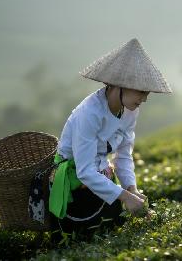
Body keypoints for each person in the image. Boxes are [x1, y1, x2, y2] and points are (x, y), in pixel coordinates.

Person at [48, 38, 172, 238]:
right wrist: (124, 197)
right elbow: (85, 171)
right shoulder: (89, 113)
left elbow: (124, 155)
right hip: (74, 184)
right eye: (140, 91)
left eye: (146, 93)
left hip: (101, 177)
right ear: (117, 85)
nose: (144, 98)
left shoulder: (131, 110)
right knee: (87, 236)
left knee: (115, 226)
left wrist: (131, 189)